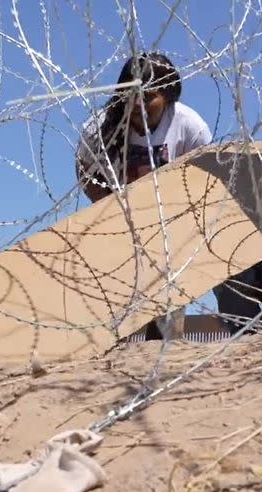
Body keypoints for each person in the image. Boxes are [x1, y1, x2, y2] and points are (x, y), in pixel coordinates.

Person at [75, 52, 212, 340]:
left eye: (148, 96)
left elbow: (206, 178)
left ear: (168, 95)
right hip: (118, 231)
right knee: (111, 330)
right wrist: (112, 209)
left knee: (166, 337)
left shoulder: (189, 126)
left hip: (170, 235)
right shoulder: (99, 128)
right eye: (130, 94)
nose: (137, 104)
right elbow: (84, 170)